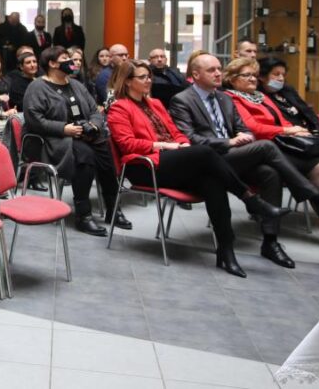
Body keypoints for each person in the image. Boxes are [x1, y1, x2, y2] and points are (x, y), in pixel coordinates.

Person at [107, 60, 287, 277]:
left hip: (172, 159)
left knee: (212, 181)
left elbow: (177, 132)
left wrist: (182, 144)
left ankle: (226, 251)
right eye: (142, 77)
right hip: (145, 166)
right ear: (128, 82)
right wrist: (165, 145)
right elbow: (127, 144)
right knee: (205, 152)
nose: (148, 81)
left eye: (149, 76)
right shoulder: (119, 107)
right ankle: (250, 199)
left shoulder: (155, 104)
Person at [170, 54, 319, 268]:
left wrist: (243, 136)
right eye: (211, 70)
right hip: (209, 158)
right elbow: (191, 138)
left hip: (236, 156)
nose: (218, 73)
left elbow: (244, 128)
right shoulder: (182, 100)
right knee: (266, 146)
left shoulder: (224, 99)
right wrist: (229, 142)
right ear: (195, 74)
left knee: (270, 173)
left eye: (219, 68)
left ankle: (270, 242)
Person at [223, 57, 319, 252]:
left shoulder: (260, 96)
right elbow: (252, 127)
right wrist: (286, 130)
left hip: (285, 142)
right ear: (232, 79)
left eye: (254, 75)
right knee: (318, 168)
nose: (253, 79)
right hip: (263, 148)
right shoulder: (231, 98)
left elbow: (281, 119)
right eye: (246, 75)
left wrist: (296, 130)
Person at [22, 46, 130, 236]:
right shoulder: (37, 87)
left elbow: (94, 110)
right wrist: (63, 128)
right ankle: (83, 215)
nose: (71, 62)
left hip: (84, 135)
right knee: (85, 155)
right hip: (54, 140)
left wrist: (94, 125)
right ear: (52, 63)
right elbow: (34, 120)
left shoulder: (76, 84)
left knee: (105, 154)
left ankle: (114, 210)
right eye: (65, 58)